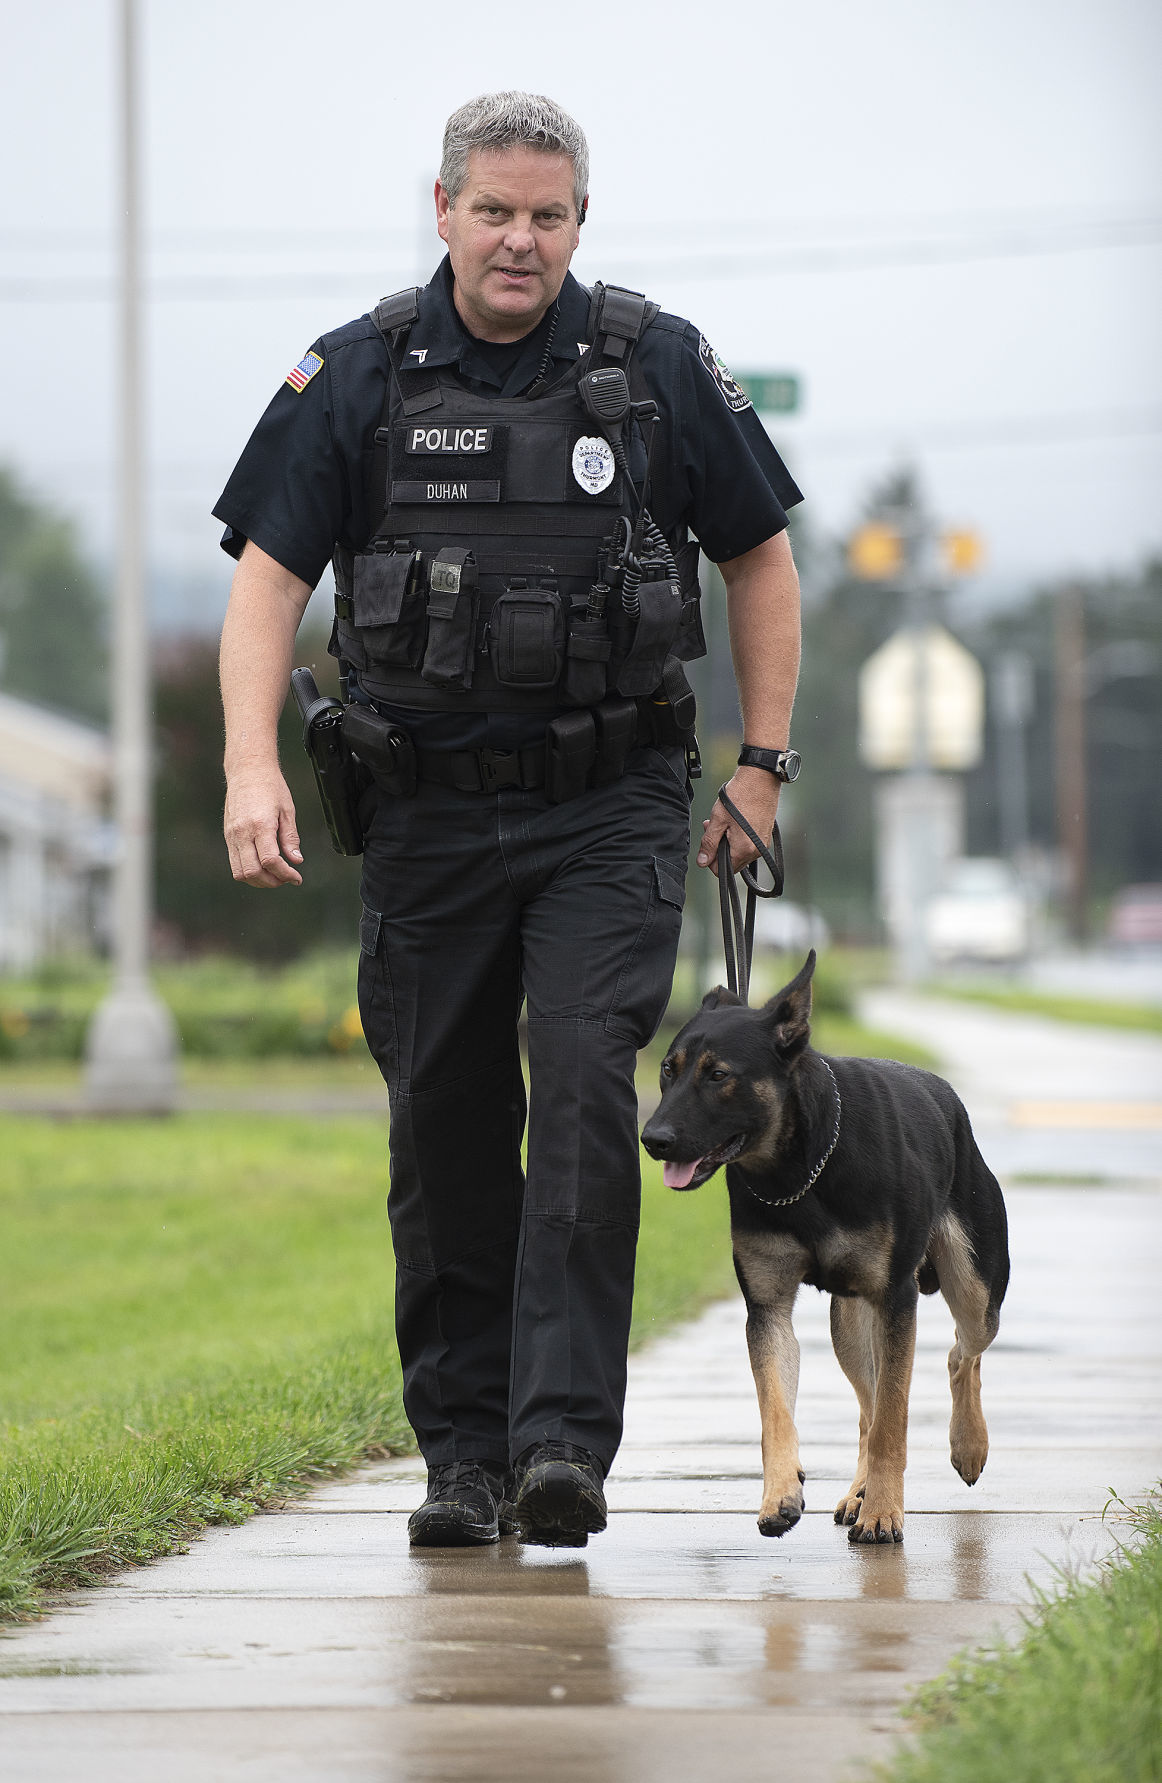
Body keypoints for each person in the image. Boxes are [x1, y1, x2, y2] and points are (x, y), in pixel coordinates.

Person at [215, 91, 802, 1550]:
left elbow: (760, 557)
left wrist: (759, 765)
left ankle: (558, 1450)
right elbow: (266, 589)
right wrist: (248, 766)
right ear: (442, 211)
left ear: (579, 224)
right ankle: (462, 1461)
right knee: (446, 1132)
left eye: (546, 215)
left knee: (589, 1097)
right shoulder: (354, 376)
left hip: (608, 802)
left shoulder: (653, 364)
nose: (519, 239)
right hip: (421, 816)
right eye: (494, 211)